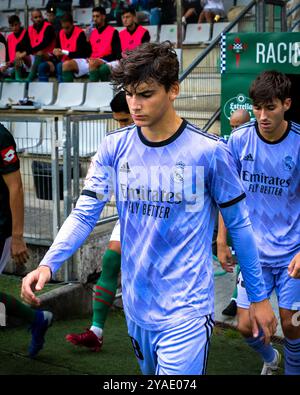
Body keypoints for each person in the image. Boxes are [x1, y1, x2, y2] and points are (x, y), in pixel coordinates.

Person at [21, 42, 277, 375]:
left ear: (173, 90)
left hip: (187, 310)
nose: (135, 104)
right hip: (137, 306)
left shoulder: (210, 152)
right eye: (129, 94)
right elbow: (85, 212)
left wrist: (257, 298)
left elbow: (240, 227)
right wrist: (49, 263)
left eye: (145, 94)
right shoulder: (114, 146)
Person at [217, 70, 300, 375]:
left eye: (271, 107)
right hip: (254, 254)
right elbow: (228, 196)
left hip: (293, 252)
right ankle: (270, 359)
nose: (263, 116)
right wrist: (222, 240)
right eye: (257, 107)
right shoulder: (238, 141)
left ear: (287, 104)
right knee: (244, 326)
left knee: (291, 326)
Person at [65, 91, 133, 351]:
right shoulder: (115, 143)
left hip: (162, 222)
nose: (122, 127)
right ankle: (96, 330)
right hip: (130, 217)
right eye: (118, 122)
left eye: (126, 121)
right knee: (110, 259)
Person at [0, 123, 53, 358]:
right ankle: (37, 319)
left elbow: (16, 187)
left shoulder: (1, 136)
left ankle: (37, 318)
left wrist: (18, 237)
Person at [220, 109, 251, 317]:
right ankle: (236, 298)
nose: (234, 131)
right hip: (238, 212)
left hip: (260, 216)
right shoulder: (229, 149)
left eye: (237, 126)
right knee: (240, 256)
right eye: (231, 127)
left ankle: (237, 299)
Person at [39, 13, 91, 82]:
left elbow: (80, 54)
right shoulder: (60, 33)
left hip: (75, 62)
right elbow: (57, 49)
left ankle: (62, 89)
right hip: (61, 60)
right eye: (63, 27)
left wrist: (63, 52)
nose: (65, 30)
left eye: (67, 27)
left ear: (72, 24)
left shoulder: (80, 33)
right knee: (42, 66)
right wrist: (55, 54)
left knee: (60, 66)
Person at [88, 6, 122, 82]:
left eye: (97, 16)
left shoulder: (113, 32)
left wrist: (102, 60)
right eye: (93, 16)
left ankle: (97, 91)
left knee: (102, 69)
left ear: (103, 17)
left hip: (111, 60)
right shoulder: (92, 33)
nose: (95, 19)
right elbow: (90, 51)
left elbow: (116, 54)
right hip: (94, 61)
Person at [26, 9, 56, 82]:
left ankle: (30, 77)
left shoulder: (48, 27)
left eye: (40, 17)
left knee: (40, 52)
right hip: (35, 55)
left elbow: (45, 43)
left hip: (49, 55)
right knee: (19, 56)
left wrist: (31, 50)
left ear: (42, 17)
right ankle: (17, 78)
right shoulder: (29, 29)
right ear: (31, 19)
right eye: (36, 17)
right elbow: (24, 44)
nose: (38, 19)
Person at [3, 15, 32, 82]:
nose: (14, 27)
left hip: (26, 63)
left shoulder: (26, 33)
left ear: (20, 23)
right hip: (13, 64)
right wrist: (6, 64)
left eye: (16, 25)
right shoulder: (9, 37)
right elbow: (7, 55)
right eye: (12, 26)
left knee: (18, 57)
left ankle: (16, 76)